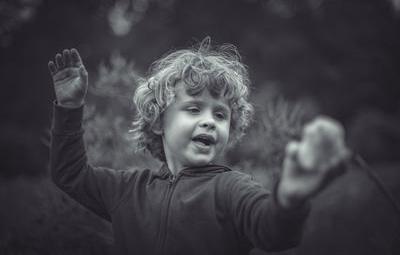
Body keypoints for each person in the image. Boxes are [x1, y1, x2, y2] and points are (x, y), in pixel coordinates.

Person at [48, 38, 349, 255]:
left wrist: (288, 200)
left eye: (220, 114)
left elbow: (272, 230)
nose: (210, 122)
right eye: (193, 109)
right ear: (157, 121)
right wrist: (70, 107)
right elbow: (69, 174)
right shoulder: (127, 190)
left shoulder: (231, 189)